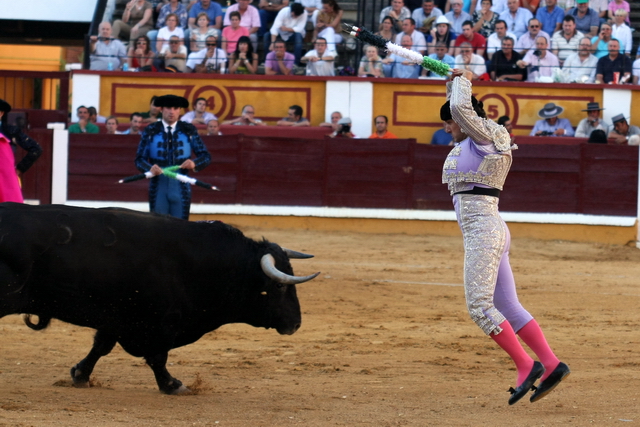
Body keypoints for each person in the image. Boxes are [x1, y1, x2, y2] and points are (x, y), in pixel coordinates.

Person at [440, 68, 569, 406]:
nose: (447, 128)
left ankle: (526, 365)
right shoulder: (473, 140)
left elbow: (459, 110)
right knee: (507, 305)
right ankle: (552, 363)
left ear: (466, 119)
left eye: (449, 124)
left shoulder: (487, 136)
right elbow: (455, 108)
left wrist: (464, 79)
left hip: (484, 232)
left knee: (480, 307)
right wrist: (451, 82)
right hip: (491, 229)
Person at [134, 94, 211, 220]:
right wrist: (150, 168)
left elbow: (205, 156)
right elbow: (139, 160)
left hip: (181, 186)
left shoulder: (188, 129)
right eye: (168, 108)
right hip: (158, 185)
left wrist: (194, 164)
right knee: (158, 227)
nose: (172, 112)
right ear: (162, 109)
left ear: (180, 110)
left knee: (181, 228)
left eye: (176, 108)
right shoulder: (151, 130)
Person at [0, 98, 42, 203]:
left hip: (5, 176)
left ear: (1, 113)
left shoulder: (10, 131)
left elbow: (36, 149)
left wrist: (18, 169)